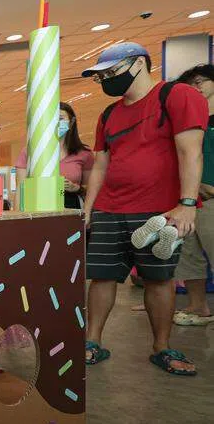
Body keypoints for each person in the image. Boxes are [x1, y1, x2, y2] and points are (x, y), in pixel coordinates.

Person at [80, 43, 206, 375]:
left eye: (111, 72)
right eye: (101, 76)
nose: (106, 80)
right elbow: (101, 165)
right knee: (102, 276)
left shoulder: (176, 96)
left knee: (158, 278)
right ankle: (92, 341)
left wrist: (187, 203)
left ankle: (161, 347)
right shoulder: (109, 114)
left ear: (138, 64)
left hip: (158, 211)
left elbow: (190, 151)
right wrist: (89, 209)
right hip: (110, 208)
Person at [172, 63, 214, 326]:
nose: (195, 87)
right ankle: (198, 307)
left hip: (211, 200)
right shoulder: (186, 122)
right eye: (189, 84)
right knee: (188, 256)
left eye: (200, 81)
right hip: (187, 200)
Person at [14, 102, 95, 209]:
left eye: (60, 118)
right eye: (51, 118)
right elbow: (20, 190)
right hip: (37, 207)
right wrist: (17, 215)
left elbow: (91, 188)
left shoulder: (84, 153)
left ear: (71, 122)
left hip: (71, 207)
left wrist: (76, 188)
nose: (55, 122)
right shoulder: (30, 152)